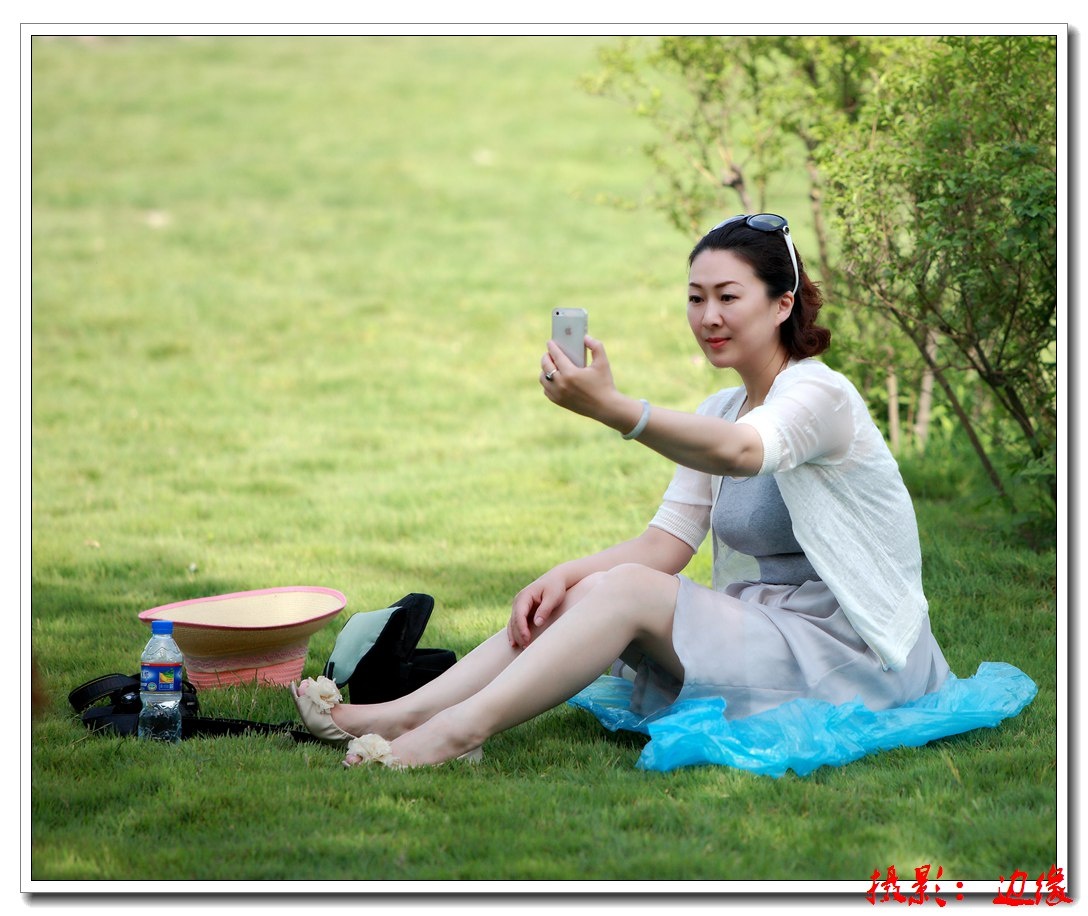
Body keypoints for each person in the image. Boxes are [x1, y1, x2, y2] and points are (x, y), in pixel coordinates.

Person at [290, 212, 950, 769]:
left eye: (728, 297)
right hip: (773, 626)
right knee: (598, 586)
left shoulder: (820, 395)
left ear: (782, 304)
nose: (709, 317)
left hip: (851, 653)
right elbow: (666, 543)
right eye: (695, 298)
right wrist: (565, 575)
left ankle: (457, 734)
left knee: (629, 589)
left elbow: (745, 452)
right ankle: (404, 714)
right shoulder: (721, 408)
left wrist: (615, 410)